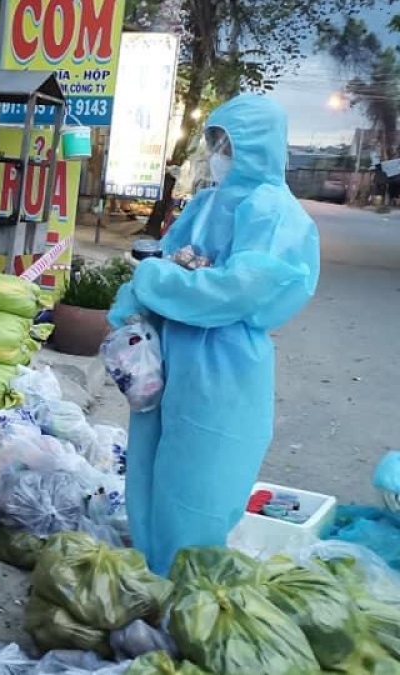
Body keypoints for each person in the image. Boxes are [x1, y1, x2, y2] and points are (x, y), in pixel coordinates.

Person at [108, 94, 321, 575]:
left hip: (223, 366)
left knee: (200, 482)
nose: (218, 152)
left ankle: (187, 586)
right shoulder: (205, 203)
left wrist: (157, 282)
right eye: (215, 140)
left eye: (228, 143)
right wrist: (137, 302)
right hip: (167, 358)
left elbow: (236, 291)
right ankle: (151, 572)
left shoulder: (274, 213)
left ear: (258, 146)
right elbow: (167, 254)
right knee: (149, 468)